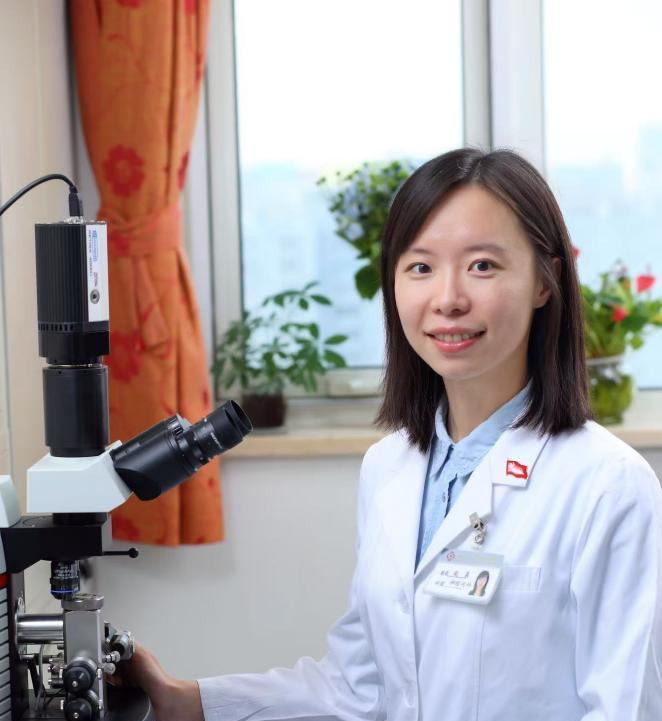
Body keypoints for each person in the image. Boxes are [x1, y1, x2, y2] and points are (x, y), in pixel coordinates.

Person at [117, 148, 662, 720]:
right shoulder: (389, 467)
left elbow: (627, 709)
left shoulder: (608, 485)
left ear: (544, 281)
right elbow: (360, 689)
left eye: (482, 265)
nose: (448, 299)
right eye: (420, 267)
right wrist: (188, 701)